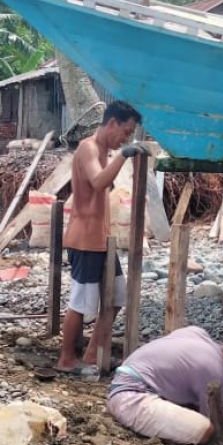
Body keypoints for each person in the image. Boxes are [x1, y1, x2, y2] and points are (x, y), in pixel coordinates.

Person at [56, 101, 147, 377]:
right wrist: (124, 154)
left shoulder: (105, 152)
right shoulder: (88, 149)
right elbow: (97, 182)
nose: (126, 138)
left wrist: (119, 154)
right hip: (84, 241)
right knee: (82, 303)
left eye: (130, 136)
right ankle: (66, 359)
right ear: (111, 124)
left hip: (101, 241)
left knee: (117, 295)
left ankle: (94, 351)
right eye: (125, 132)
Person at [106, 326, 223, 445]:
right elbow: (214, 418)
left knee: (191, 406)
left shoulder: (196, 333)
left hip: (124, 380)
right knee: (204, 429)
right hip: (130, 399)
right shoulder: (214, 369)